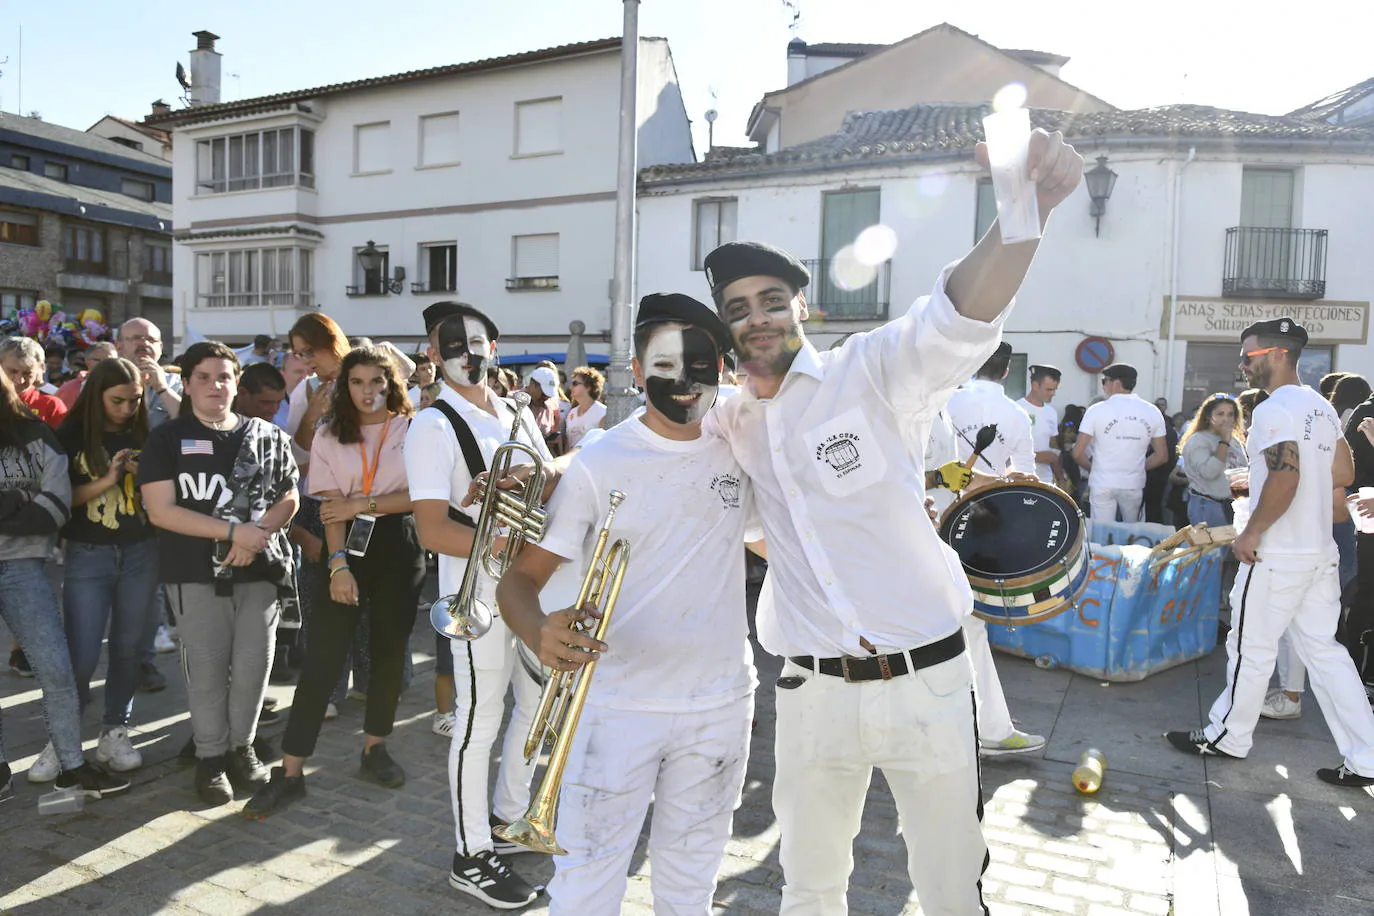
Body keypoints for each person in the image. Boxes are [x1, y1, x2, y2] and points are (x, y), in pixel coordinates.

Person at [695, 125, 1081, 916]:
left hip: (929, 684)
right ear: (724, 326)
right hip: (811, 694)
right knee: (807, 890)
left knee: (948, 890)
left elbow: (958, 314)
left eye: (773, 300)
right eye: (738, 308)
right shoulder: (728, 423)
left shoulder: (870, 371)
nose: (757, 316)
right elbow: (718, 504)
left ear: (804, 307)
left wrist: (1023, 207)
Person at [498, 293, 758, 914]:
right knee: (586, 886)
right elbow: (518, 583)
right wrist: (540, 632)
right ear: (636, 373)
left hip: (721, 704)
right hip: (614, 708)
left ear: (721, 367)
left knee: (691, 883)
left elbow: (776, 541)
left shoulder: (743, 445)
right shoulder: (597, 463)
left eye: (700, 364)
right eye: (664, 366)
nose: (685, 381)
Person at [1167, 317, 1374, 788]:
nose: (1241, 365)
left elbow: (1286, 475)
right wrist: (1268, 483)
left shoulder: (1273, 408)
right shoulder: (1319, 406)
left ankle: (1227, 737)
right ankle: (1366, 758)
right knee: (1326, 653)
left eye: (1248, 356)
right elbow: (1342, 469)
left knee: (1249, 648)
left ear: (1277, 355)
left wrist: (1251, 532)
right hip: (1318, 551)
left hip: (1279, 553)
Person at [404, 301, 550, 908]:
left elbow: (546, 481)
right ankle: (471, 854)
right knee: (477, 720)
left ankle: (508, 817)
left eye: (478, 342)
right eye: (453, 345)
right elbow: (432, 530)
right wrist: (498, 536)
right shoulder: (432, 425)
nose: (469, 354)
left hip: (528, 584)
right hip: (476, 593)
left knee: (538, 698)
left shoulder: (516, 411)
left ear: (494, 345)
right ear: (434, 355)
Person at [245, 347, 424, 817]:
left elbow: (422, 498)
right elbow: (329, 509)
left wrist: (360, 505)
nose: (368, 391)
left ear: (391, 385)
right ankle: (290, 772)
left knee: (386, 657)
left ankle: (374, 748)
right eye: (359, 382)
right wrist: (338, 566)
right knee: (322, 661)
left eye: (377, 382)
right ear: (345, 386)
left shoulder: (415, 429)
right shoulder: (329, 433)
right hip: (346, 547)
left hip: (399, 547)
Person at [138, 341, 299, 806]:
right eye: (204, 377)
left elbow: (290, 494)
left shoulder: (266, 435)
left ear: (237, 383)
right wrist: (235, 532)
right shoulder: (167, 438)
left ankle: (241, 748)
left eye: (224, 377)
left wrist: (259, 533)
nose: (215, 385)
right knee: (207, 670)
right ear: (185, 384)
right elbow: (161, 511)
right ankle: (209, 758)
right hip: (194, 572)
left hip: (261, 569)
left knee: (253, 668)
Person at [51, 358, 159, 775]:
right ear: (96, 396)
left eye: (134, 400)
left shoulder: (147, 433)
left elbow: (168, 492)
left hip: (140, 552)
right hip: (87, 553)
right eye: (118, 401)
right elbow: (63, 500)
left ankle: (116, 730)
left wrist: (144, 471)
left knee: (129, 648)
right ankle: (63, 737)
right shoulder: (70, 435)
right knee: (79, 654)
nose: (127, 408)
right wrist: (108, 479)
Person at [1072, 364, 1168, 526]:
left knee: (1101, 534)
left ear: (1116, 383)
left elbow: (1077, 453)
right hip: (1133, 483)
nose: (1103, 386)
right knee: (1133, 534)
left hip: (1102, 482)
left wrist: (1092, 468)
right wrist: (1137, 467)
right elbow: (1162, 456)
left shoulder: (1096, 410)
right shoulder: (1152, 411)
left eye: (1104, 381)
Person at [946, 342, 1035, 476]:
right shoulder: (1019, 415)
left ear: (976, 366)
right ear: (1005, 372)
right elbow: (1025, 472)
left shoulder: (947, 402)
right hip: (994, 495)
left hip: (947, 494)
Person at [1178, 393, 1246, 529]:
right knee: (1213, 550)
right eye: (1220, 414)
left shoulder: (1235, 440)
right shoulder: (1198, 440)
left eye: (1230, 414)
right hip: (1209, 506)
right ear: (1208, 416)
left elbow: (1242, 471)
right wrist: (1224, 442)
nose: (1226, 419)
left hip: (1234, 506)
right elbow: (1209, 472)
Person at [116, 318, 181, 429]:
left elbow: (190, 423)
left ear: (160, 348)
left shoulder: (177, 383)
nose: (145, 343)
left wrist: (163, 389)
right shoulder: (105, 379)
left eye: (151, 340)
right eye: (136, 338)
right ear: (119, 347)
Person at [0, 337, 69, 428]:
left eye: (27, 374)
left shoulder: (51, 404)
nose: (20, 380)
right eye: (13, 371)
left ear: (41, 368)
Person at [1016, 364, 1063, 485]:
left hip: (1046, 480)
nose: (1053, 393)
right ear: (1035, 385)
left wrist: (1061, 477)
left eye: (1055, 389)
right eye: (1049, 389)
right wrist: (1043, 456)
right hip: (1021, 477)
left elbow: (1052, 445)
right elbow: (1006, 448)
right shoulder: (1017, 409)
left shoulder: (1051, 412)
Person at [55, 341, 117, 408]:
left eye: (109, 361)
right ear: (86, 361)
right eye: (97, 360)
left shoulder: (125, 386)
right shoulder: (71, 389)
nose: (103, 364)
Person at [561, 366, 607, 452]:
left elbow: (604, 445)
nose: (570, 387)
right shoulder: (572, 413)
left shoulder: (602, 412)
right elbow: (568, 444)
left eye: (575, 384)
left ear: (588, 386)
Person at [525, 366, 563, 454]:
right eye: (544, 394)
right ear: (532, 384)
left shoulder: (550, 407)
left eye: (549, 395)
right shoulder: (512, 401)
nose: (546, 398)